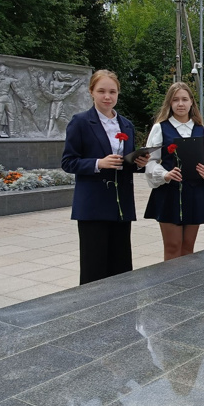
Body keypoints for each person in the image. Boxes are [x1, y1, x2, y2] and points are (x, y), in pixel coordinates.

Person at [61, 70, 149, 284]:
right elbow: (68, 162)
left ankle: (122, 312)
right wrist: (98, 163)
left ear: (118, 93)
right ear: (91, 92)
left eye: (112, 91)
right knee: (94, 267)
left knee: (121, 267)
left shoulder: (126, 124)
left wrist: (139, 164)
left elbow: (125, 163)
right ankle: (93, 313)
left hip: (121, 205)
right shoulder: (80, 122)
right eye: (101, 91)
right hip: (93, 206)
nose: (107, 96)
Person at [144, 82, 204, 260]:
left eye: (185, 99)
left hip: (195, 192)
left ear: (192, 102)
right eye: (175, 100)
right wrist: (165, 174)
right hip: (169, 192)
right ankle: (171, 287)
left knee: (187, 248)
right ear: (169, 103)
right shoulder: (160, 128)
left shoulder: (201, 130)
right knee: (173, 246)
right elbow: (151, 161)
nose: (180, 104)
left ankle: (186, 287)